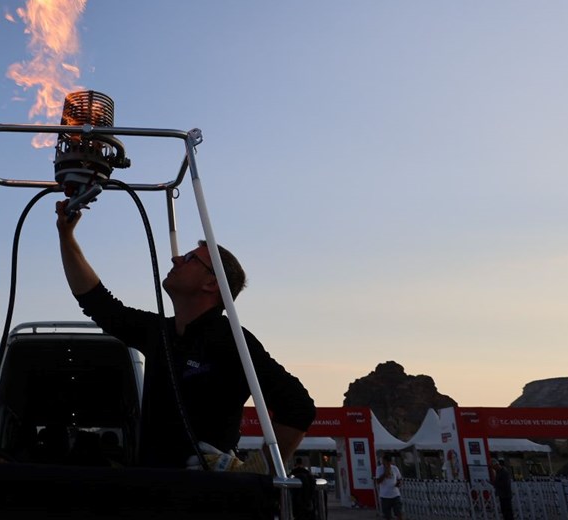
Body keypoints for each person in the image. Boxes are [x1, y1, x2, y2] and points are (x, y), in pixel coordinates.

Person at [55, 201, 316, 470]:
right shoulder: (159, 332)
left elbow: (298, 407)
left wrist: (257, 470)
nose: (175, 258)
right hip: (155, 491)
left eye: (190, 258)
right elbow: (99, 304)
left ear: (211, 283)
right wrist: (66, 236)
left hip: (207, 501)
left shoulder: (231, 340)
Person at [374, 452, 403, 520]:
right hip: (385, 496)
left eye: (388, 462)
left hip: (395, 495)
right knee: (387, 515)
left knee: (399, 513)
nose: (387, 464)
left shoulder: (395, 468)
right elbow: (378, 481)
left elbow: (399, 478)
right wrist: (384, 474)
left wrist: (399, 483)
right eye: (385, 462)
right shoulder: (379, 469)